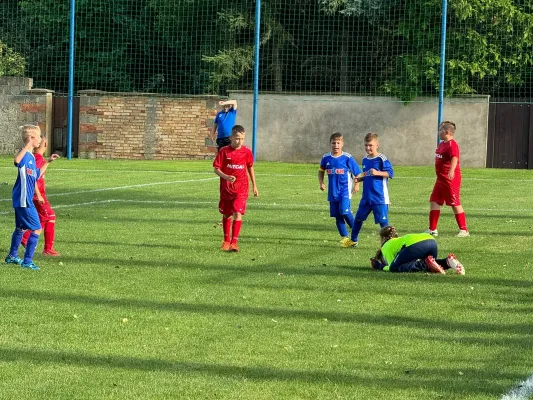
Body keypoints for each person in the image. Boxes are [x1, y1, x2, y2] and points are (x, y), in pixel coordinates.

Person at [4, 125, 58, 271]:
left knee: (21, 228)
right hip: (24, 199)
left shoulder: (32, 158)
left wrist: (48, 162)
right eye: (38, 138)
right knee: (37, 229)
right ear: (32, 139)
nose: (40, 141)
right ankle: (27, 262)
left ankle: (12, 256)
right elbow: (16, 160)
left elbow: (35, 176)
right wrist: (27, 144)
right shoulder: (25, 155)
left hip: (23, 199)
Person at [213, 124, 258, 252]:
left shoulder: (247, 152)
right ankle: (226, 241)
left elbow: (250, 167)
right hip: (226, 188)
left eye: (242, 138)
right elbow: (216, 169)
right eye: (237, 138)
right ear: (231, 137)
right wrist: (226, 177)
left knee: (237, 213)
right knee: (227, 214)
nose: (240, 141)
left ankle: (234, 243)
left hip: (241, 188)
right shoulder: (224, 151)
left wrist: (255, 185)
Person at [347, 132, 394, 247]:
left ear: (377, 145)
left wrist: (377, 172)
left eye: (370, 145)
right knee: (358, 219)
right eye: (366, 145)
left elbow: (390, 173)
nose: (368, 148)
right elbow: (369, 175)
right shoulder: (365, 160)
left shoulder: (382, 159)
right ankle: (353, 240)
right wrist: (360, 179)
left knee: (383, 222)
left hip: (379, 197)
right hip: (366, 198)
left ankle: (390, 244)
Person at [318, 132, 362, 247]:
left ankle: (355, 232)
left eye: (338, 143)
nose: (336, 145)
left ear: (342, 144)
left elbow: (357, 173)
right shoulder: (326, 158)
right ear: (330, 144)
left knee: (344, 211)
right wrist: (321, 183)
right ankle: (344, 237)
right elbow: (321, 171)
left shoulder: (347, 157)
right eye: (334, 143)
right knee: (337, 216)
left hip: (344, 191)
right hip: (333, 192)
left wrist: (357, 185)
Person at [426, 121, 469, 237]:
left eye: (440, 130)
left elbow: (454, 157)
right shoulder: (442, 144)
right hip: (440, 179)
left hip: (450, 179)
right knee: (434, 201)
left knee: (454, 203)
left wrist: (451, 170)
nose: (438, 132)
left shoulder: (452, 144)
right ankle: (432, 229)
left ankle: (464, 230)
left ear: (447, 132)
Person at [21, 135, 61, 256]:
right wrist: (38, 194)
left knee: (45, 218)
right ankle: (43, 247)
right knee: (50, 216)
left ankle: (30, 241)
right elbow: (33, 178)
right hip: (36, 195)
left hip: (37, 195)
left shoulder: (39, 158)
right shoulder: (37, 159)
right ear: (45, 145)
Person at [370, 226, 465, 275]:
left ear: (383, 238)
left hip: (416, 245)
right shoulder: (398, 240)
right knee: (430, 265)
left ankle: (427, 264)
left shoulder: (385, 246)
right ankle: (447, 262)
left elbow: (391, 267)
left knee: (397, 268)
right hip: (431, 241)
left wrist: (380, 266)